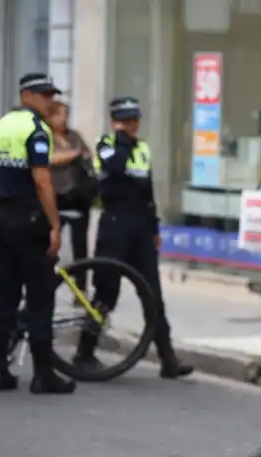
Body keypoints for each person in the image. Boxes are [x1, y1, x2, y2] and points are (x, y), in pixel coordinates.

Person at [74, 97, 193, 377]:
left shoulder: (143, 149)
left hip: (139, 226)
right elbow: (114, 168)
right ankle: (84, 352)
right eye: (126, 121)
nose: (132, 125)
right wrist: (121, 139)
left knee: (153, 294)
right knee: (106, 291)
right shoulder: (106, 144)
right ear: (115, 121)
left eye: (135, 120)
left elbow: (147, 190)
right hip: (114, 224)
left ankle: (168, 359)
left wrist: (154, 229)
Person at [0, 73, 75, 394]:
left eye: (51, 94)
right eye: (43, 94)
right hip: (30, 219)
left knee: (5, 298)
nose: (48, 100)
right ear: (26, 95)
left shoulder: (0, 127)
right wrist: (54, 223)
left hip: (5, 218)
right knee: (40, 298)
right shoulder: (37, 130)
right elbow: (42, 181)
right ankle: (43, 375)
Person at [47, 100, 94, 295]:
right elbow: (50, 158)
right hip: (56, 197)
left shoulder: (74, 136)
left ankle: (81, 289)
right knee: (50, 242)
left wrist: (83, 155)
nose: (64, 119)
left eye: (66, 114)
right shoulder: (45, 137)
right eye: (60, 115)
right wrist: (74, 154)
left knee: (80, 244)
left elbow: (87, 153)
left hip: (78, 196)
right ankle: (46, 283)